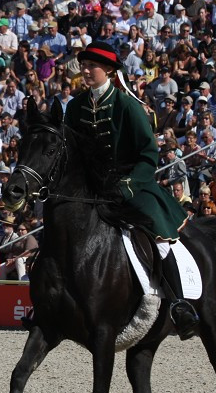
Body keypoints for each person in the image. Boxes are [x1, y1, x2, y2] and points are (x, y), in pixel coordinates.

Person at [69, 41, 196, 339]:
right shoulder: (75, 107)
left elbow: (149, 153)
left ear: (110, 71)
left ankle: (180, 305)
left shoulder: (128, 106)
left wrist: (128, 185)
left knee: (158, 233)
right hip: (91, 188)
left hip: (132, 184)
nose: (85, 71)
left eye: (92, 66)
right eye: (84, 66)